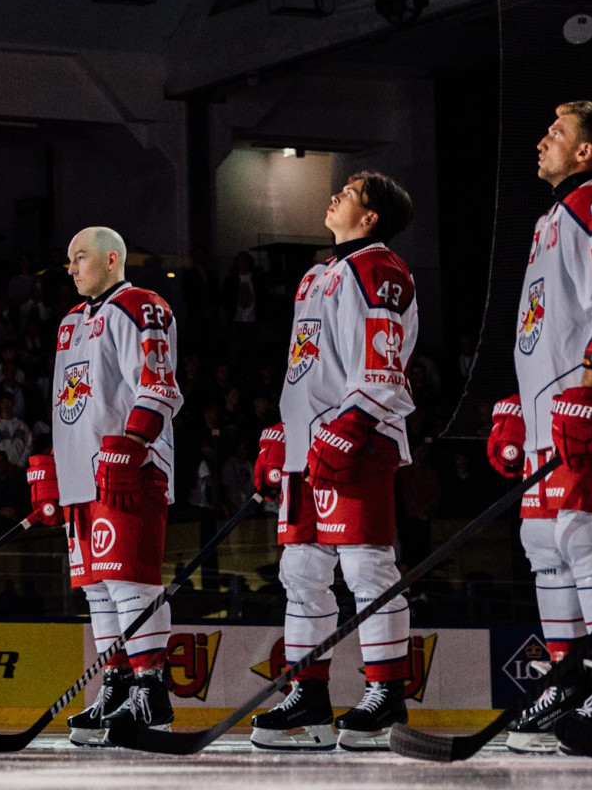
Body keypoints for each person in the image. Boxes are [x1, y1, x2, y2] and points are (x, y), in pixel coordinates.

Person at [491, 101, 592, 752]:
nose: (541, 141)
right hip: (550, 414)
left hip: (591, 407)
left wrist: (589, 391)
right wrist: (519, 404)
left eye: (555, 134)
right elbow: (550, 329)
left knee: (587, 536)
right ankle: (569, 680)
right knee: (544, 545)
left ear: (584, 153)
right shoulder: (554, 217)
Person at [249, 171, 419, 751]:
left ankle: (386, 695)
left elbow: (383, 365)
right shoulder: (316, 276)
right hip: (308, 449)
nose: (335, 196)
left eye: (349, 192)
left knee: (367, 570)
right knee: (300, 574)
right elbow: (307, 369)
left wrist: (348, 428)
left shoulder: (380, 268)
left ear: (371, 217)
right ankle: (309, 698)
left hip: (358, 441)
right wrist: (282, 432)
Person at [38, 227, 184, 745]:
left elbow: (159, 386)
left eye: (80, 257)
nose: (72, 268)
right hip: (83, 476)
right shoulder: (69, 323)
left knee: (130, 582)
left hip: (128, 469)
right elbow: (68, 405)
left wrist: (134, 443)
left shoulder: (140, 305)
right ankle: (120, 682)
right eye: (69, 260)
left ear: (112, 258)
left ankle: (152, 691)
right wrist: (54, 469)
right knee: (98, 590)